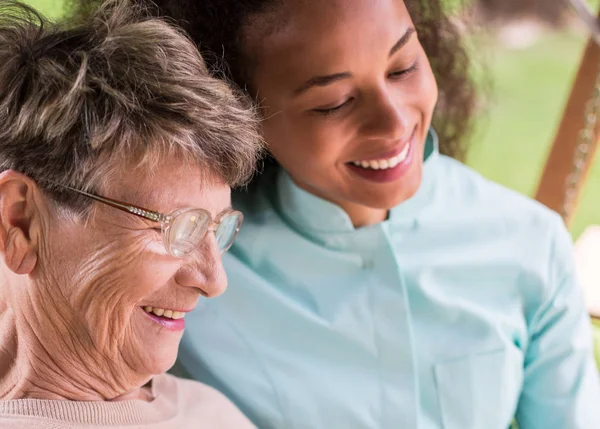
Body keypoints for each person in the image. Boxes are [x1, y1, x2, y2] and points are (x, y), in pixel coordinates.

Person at [139, 0, 598, 428]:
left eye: (403, 67)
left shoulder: (530, 243)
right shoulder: (187, 272)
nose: (395, 123)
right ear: (237, 109)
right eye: (334, 102)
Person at [0, 1, 263, 428]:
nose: (214, 281)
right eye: (176, 226)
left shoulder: (202, 407)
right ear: (21, 222)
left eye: (217, 228)